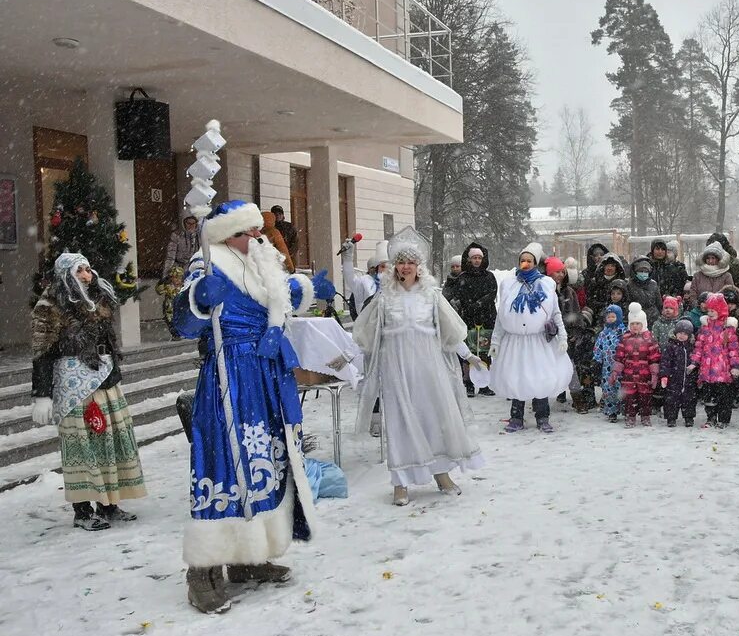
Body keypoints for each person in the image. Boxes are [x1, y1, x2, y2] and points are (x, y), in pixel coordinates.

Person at [172, 200, 334, 614]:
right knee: (224, 461)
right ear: (227, 235)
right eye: (247, 232)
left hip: (263, 376)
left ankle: (250, 558)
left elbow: (281, 295)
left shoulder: (261, 260)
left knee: (265, 457)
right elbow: (184, 324)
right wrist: (197, 301)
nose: (257, 238)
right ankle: (203, 572)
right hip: (228, 375)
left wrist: (311, 289)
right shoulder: (208, 265)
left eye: (257, 231)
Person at [352, 236, 485, 507]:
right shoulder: (383, 297)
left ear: (419, 266)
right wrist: (342, 358)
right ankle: (399, 482)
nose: (405, 268)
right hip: (396, 370)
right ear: (394, 266)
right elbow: (367, 337)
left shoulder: (431, 295)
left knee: (433, 419)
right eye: (400, 262)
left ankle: (441, 473)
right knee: (400, 424)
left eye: (410, 262)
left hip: (428, 368)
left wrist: (468, 355)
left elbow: (449, 332)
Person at [31, 252, 147, 532]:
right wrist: (42, 393)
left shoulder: (94, 299)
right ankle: (82, 510)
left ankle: (108, 504)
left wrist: (95, 285)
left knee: (109, 441)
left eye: (88, 268)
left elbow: (107, 323)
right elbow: (42, 352)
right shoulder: (50, 305)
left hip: (104, 378)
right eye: (80, 270)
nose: (87, 274)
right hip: (74, 384)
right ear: (66, 275)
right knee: (83, 446)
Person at [490, 244, 573, 434]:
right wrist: (496, 341)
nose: (525, 264)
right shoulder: (508, 284)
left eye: (529, 260)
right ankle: (516, 416)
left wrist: (562, 337)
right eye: (522, 260)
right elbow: (501, 316)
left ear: (535, 263)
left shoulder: (546, 283)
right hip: (515, 341)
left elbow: (555, 313)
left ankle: (543, 416)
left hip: (538, 341)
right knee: (517, 377)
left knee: (540, 377)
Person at [548, 257, 596, 414]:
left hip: (566, 335)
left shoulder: (569, 291)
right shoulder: (545, 291)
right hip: (547, 336)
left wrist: (575, 332)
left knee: (570, 367)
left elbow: (575, 313)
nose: (560, 275)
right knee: (545, 367)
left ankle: (577, 398)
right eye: (557, 272)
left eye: (562, 272)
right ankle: (542, 399)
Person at [453, 243, 499, 396]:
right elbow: (460, 294)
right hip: (469, 318)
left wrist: (481, 303)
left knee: (484, 351)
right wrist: (471, 305)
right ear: (469, 259)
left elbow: (492, 293)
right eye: (474, 258)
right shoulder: (463, 277)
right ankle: (469, 383)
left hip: (486, 317)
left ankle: (484, 384)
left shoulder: (489, 276)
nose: (477, 261)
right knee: (470, 352)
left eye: (479, 258)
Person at [690, 293, 739, 429]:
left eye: (713, 310)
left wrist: (735, 366)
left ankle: (723, 419)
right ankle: (711, 417)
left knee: (724, 397)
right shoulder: (705, 328)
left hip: (723, 372)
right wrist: (694, 362)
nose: (710, 313)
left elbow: (734, 349)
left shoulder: (727, 329)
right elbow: (698, 347)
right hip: (707, 371)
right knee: (709, 397)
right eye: (709, 310)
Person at [659, 320, 697, 428]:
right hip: (673, 379)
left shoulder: (691, 347)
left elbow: (696, 361)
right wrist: (664, 375)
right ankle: (671, 418)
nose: (682, 336)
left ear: (689, 335)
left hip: (688, 379)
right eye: (680, 333)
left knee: (689, 399)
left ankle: (689, 418)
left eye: (685, 334)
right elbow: (665, 362)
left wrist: (696, 375)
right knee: (671, 399)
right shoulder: (670, 346)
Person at [593, 305, 626, 423]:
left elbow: (628, 346)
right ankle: (611, 411)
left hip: (621, 366)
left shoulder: (623, 331)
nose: (611, 319)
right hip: (607, 367)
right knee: (608, 388)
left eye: (613, 316)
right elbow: (598, 346)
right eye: (609, 316)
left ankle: (624, 409)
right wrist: (597, 358)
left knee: (621, 388)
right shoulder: (603, 333)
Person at [343, 240, 388, 321]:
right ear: (376, 268)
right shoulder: (366, 282)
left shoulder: (398, 284)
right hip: (367, 328)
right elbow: (350, 279)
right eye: (383, 266)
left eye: (390, 266)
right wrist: (348, 258)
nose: (386, 270)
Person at [627, 257, 663, 327]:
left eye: (646, 271)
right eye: (641, 271)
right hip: (636, 319)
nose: (643, 273)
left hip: (653, 318)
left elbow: (659, 303)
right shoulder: (629, 285)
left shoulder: (653, 284)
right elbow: (627, 302)